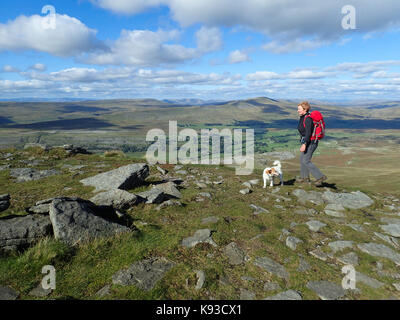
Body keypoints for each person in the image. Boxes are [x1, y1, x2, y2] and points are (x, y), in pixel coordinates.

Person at [296, 101, 327, 186]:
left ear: (305, 109)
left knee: (306, 160)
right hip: (307, 141)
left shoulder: (308, 119)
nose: (298, 110)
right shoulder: (303, 117)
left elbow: (308, 133)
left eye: (299, 109)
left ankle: (320, 177)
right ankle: (304, 178)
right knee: (302, 159)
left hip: (311, 142)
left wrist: (304, 144)